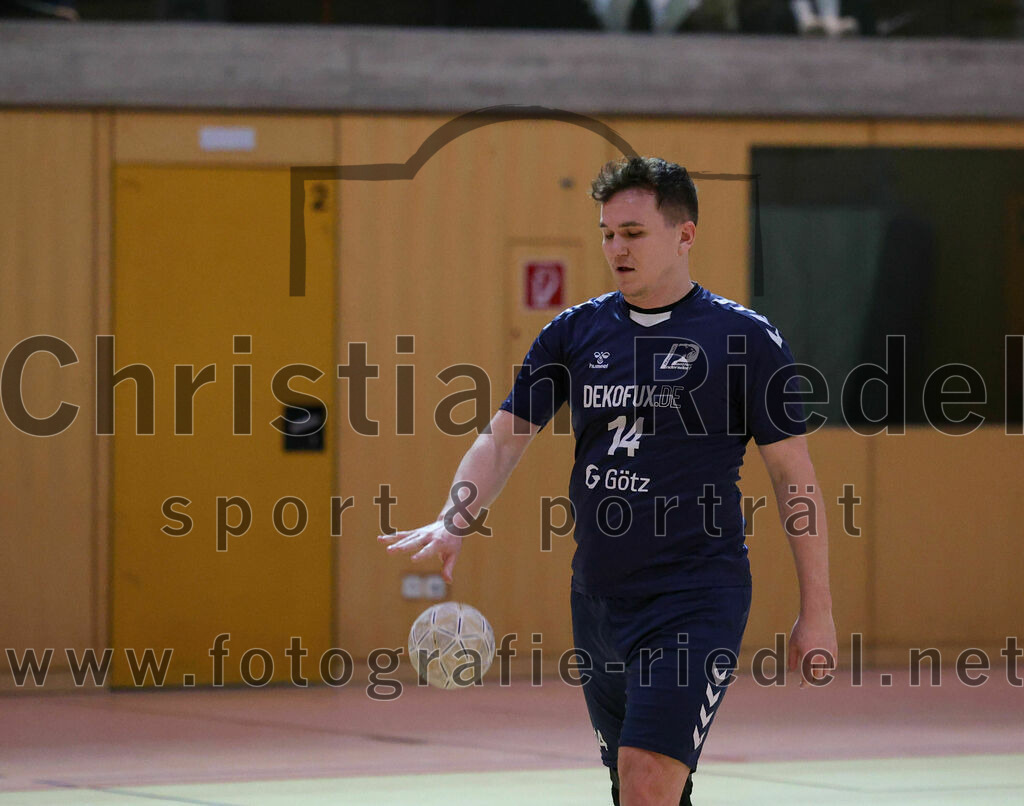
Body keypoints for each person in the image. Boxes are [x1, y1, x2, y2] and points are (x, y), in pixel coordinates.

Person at [380, 156, 837, 806]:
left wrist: (815, 612)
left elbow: (796, 479)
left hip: (694, 597)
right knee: (639, 788)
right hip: (598, 600)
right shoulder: (574, 333)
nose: (616, 248)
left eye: (633, 233)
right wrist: (455, 517)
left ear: (685, 235)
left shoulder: (742, 339)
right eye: (606, 233)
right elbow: (504, 437)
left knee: (647, 779)